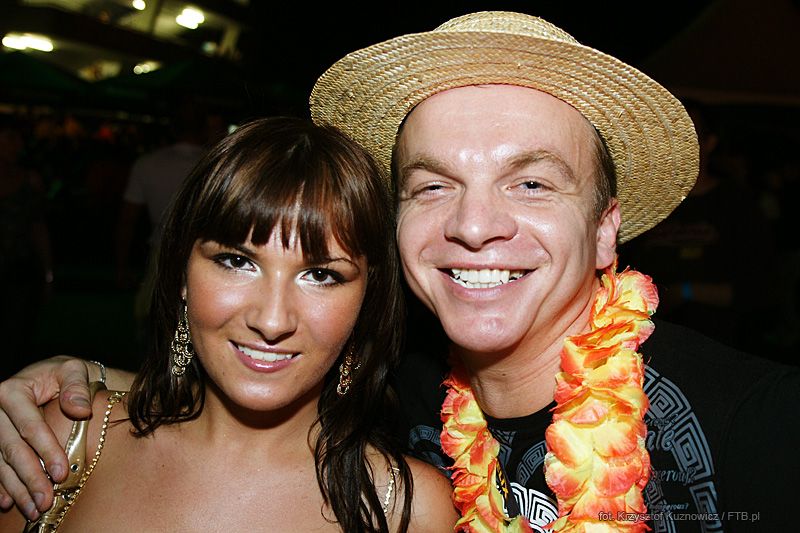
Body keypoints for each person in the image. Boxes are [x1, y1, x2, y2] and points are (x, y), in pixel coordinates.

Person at [1, 11, 798, 532]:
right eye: (433, 185)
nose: (474, 225)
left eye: (530, 182)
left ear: (603, 228)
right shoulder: (402, 398)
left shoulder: (756, 429)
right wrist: (75, 382)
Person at [0, 117, 456, 532]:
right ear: (182, 273)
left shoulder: (409, 510)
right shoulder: (65, 438)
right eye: (237, 262)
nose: (271, 320)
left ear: (366, 301)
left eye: (320, 275)